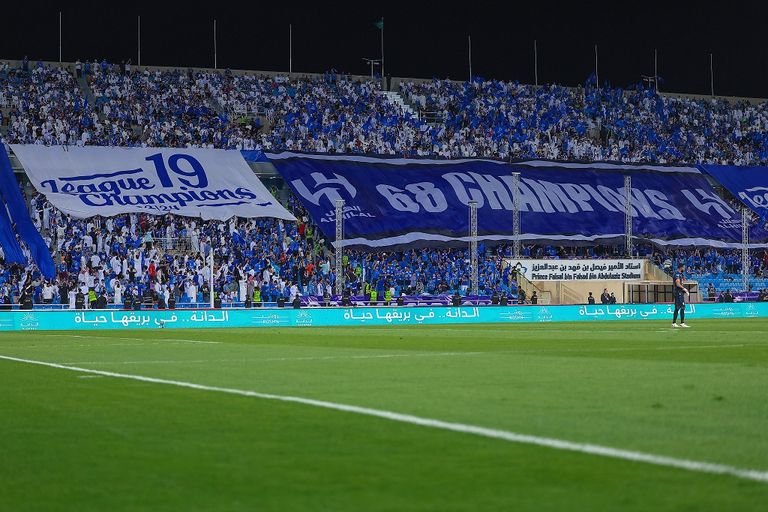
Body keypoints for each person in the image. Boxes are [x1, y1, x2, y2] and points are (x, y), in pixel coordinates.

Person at [672, 263, 690, 328]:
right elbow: (677, 284)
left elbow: (683, 280)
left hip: (680, 292)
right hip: (678, 292)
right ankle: (681, 323)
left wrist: (683, 277)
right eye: (683, 267)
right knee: (681, 307)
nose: (684, 268)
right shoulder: (677, 274)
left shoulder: (680, 274)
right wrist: (684, 289)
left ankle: (675, 323)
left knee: (679, 307)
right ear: (681, 267)